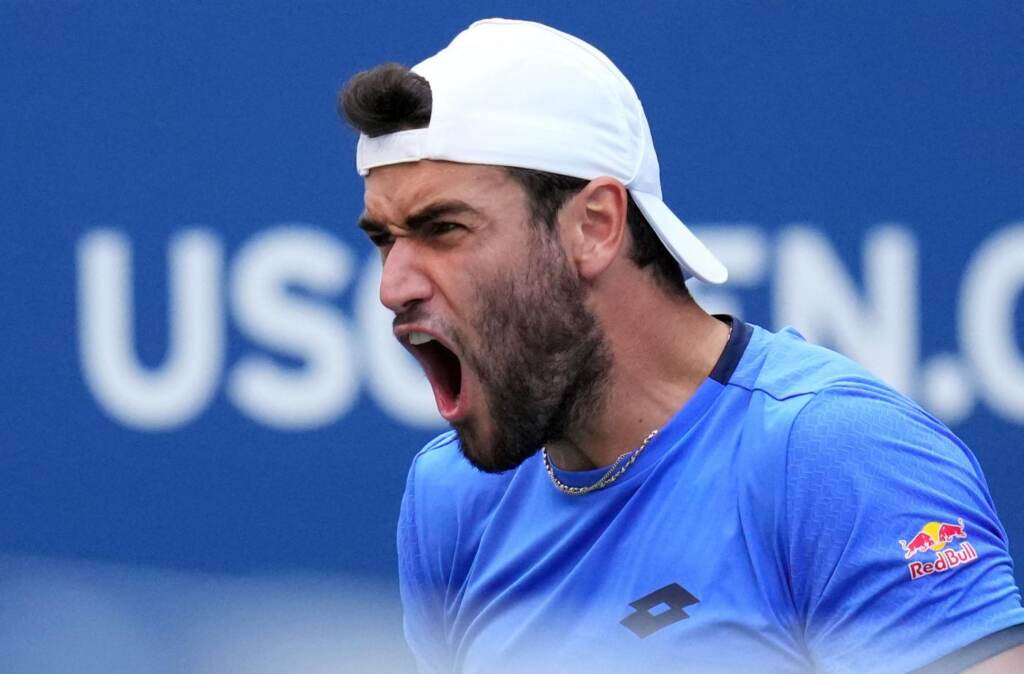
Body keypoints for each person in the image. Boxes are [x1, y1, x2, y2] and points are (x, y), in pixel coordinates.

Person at [338, 18, 1024, 674]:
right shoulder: (449, 496)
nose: (392, 286)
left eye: (444, 228)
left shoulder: (842, 458)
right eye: (384, 241)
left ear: (595, 225)